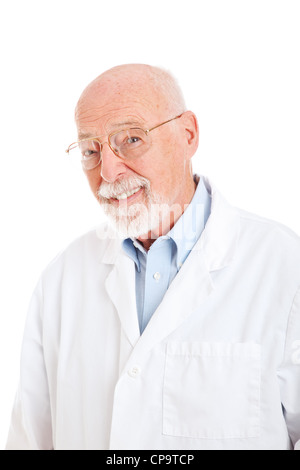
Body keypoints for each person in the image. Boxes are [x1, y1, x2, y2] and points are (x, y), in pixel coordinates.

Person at [6, 64, 300, 451]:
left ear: (188, 134)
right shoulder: (61, 279)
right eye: (91, 150)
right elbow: (29, 440)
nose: (108, 172)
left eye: (131, 139)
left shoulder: (282, 265)